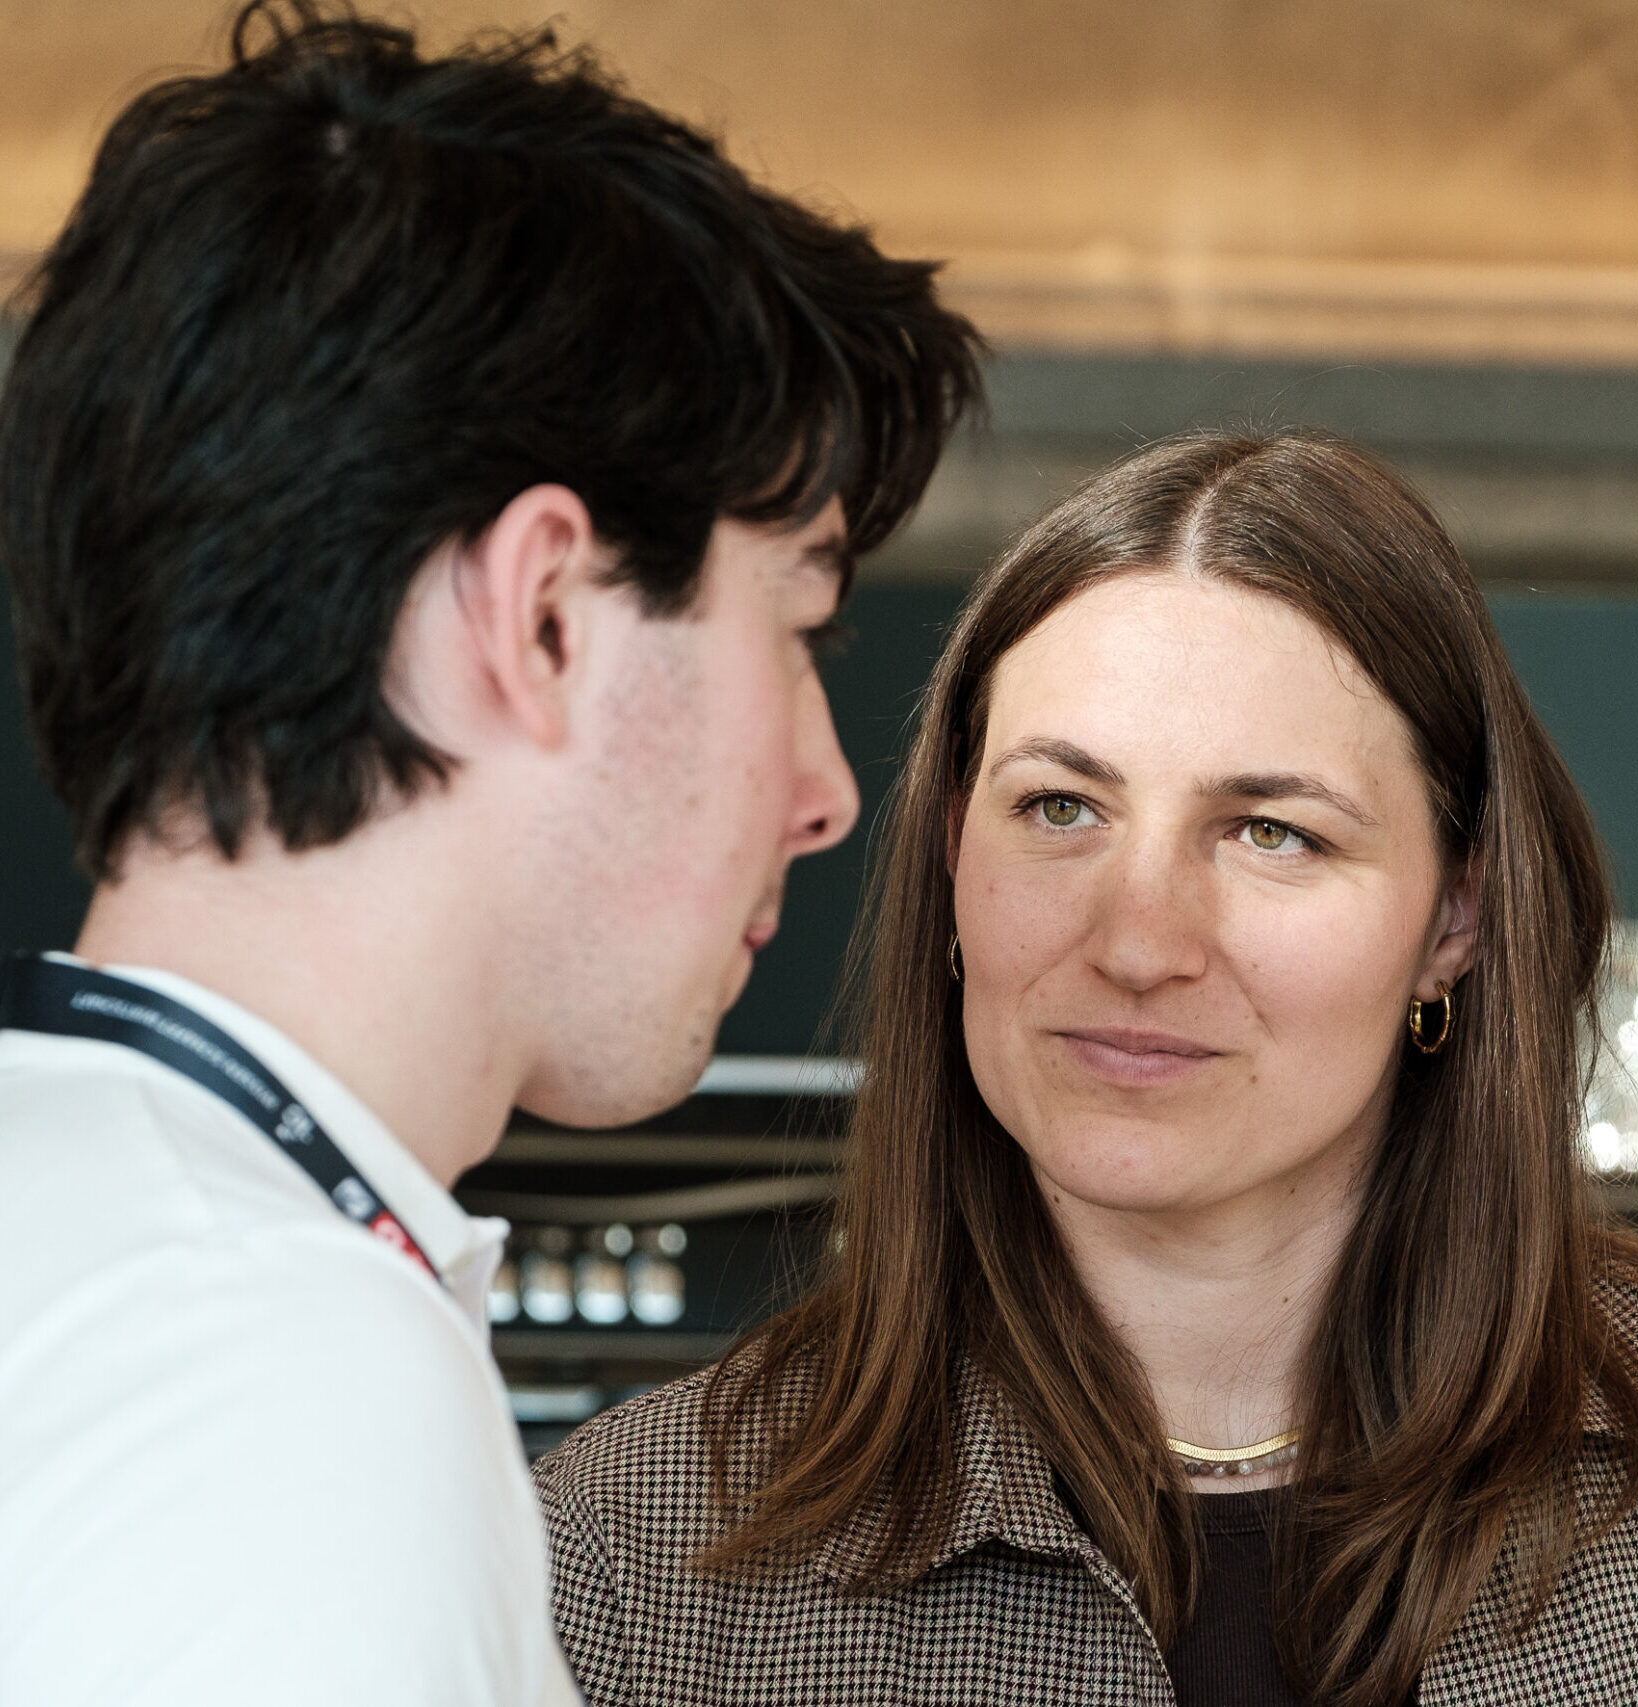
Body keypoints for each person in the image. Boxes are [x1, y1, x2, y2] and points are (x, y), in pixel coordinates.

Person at [0, 2, 981, 1702]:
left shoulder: (122, 1250)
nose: (826, 790)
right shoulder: (275, 1373)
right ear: (539, 616)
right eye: (802, 623)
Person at [532, 430, 1638, 1707]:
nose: (1140, 943)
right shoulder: (628, 1564)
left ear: (1454, 923)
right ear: (949, 863)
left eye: (1272, 833)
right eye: (1060, 809)